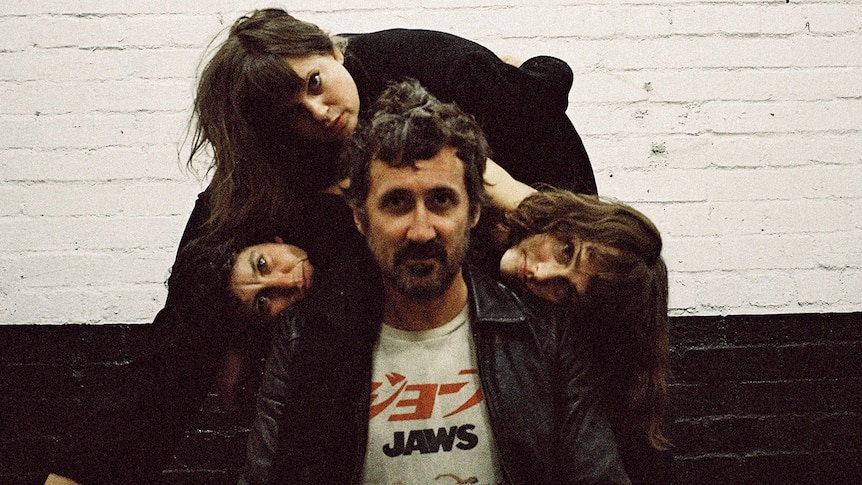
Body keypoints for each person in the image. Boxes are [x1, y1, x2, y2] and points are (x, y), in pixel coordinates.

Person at [45, 8, 589, 484]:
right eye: (291, 112)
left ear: (331, 49)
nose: (319, 113)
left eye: (313, 82)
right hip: (381, 283)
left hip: (525, 220)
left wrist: (527, 203)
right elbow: (193, 276)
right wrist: (232, 305)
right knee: (196, 318)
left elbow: (548, 86)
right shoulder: (282, 159)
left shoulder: (430, 66)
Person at [241, 78, 629, 485]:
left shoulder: (543, 336)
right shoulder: (303, 337)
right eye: (397, 202)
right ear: (359, 217)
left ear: (475, 212)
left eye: (441, 200)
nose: (421, 231)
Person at [499, 188, 672, 484]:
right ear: (566, 220)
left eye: (565, 291)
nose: (541, 274)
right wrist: (532, 205)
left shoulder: (550, 343)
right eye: (566, 250)